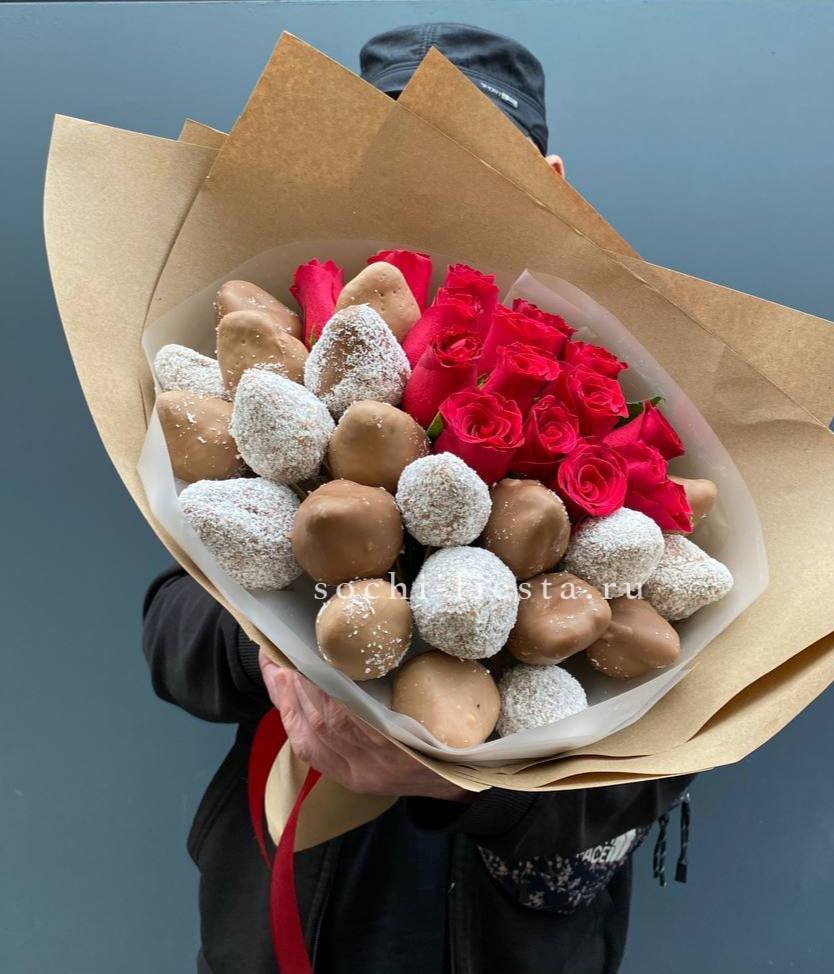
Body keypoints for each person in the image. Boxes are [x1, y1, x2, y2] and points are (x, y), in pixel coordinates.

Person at [143, 24, 693, 974]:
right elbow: (168, 635)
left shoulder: (621, 376)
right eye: (393, 148)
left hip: (511, 938)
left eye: (469, 153)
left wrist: (477, 787)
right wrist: (274, 644)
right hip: (280, 920)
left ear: (551, 179)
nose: (428, 178)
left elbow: (676, 741)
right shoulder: (286, 359)